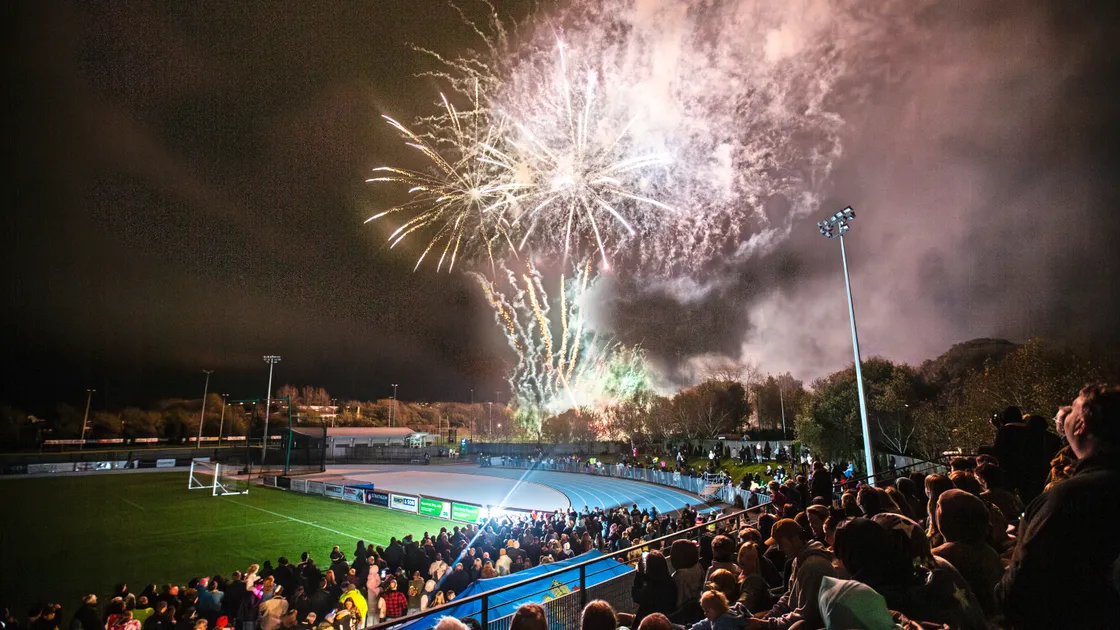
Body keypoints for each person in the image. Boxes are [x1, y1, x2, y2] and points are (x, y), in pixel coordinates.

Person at [997, 384, 1120, 629]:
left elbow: (1019, 588)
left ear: (1081, 425)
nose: (1065, 410)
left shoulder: (1068, 497)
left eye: (1072, 408)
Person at [751, 518, 836, 629]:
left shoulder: (812, 566)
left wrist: (766, 624)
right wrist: (768, 617)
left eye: (781, 543)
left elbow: (805, 615)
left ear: (795, 539)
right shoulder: (798, 560)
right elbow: (789, 595)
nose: (779, 549)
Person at [631, 550, 677, 626]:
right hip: (665, 619)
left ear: (649, 569)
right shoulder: (671, 582)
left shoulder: (650, 591)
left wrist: (639, 574)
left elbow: (636, 596)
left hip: (651, 623)